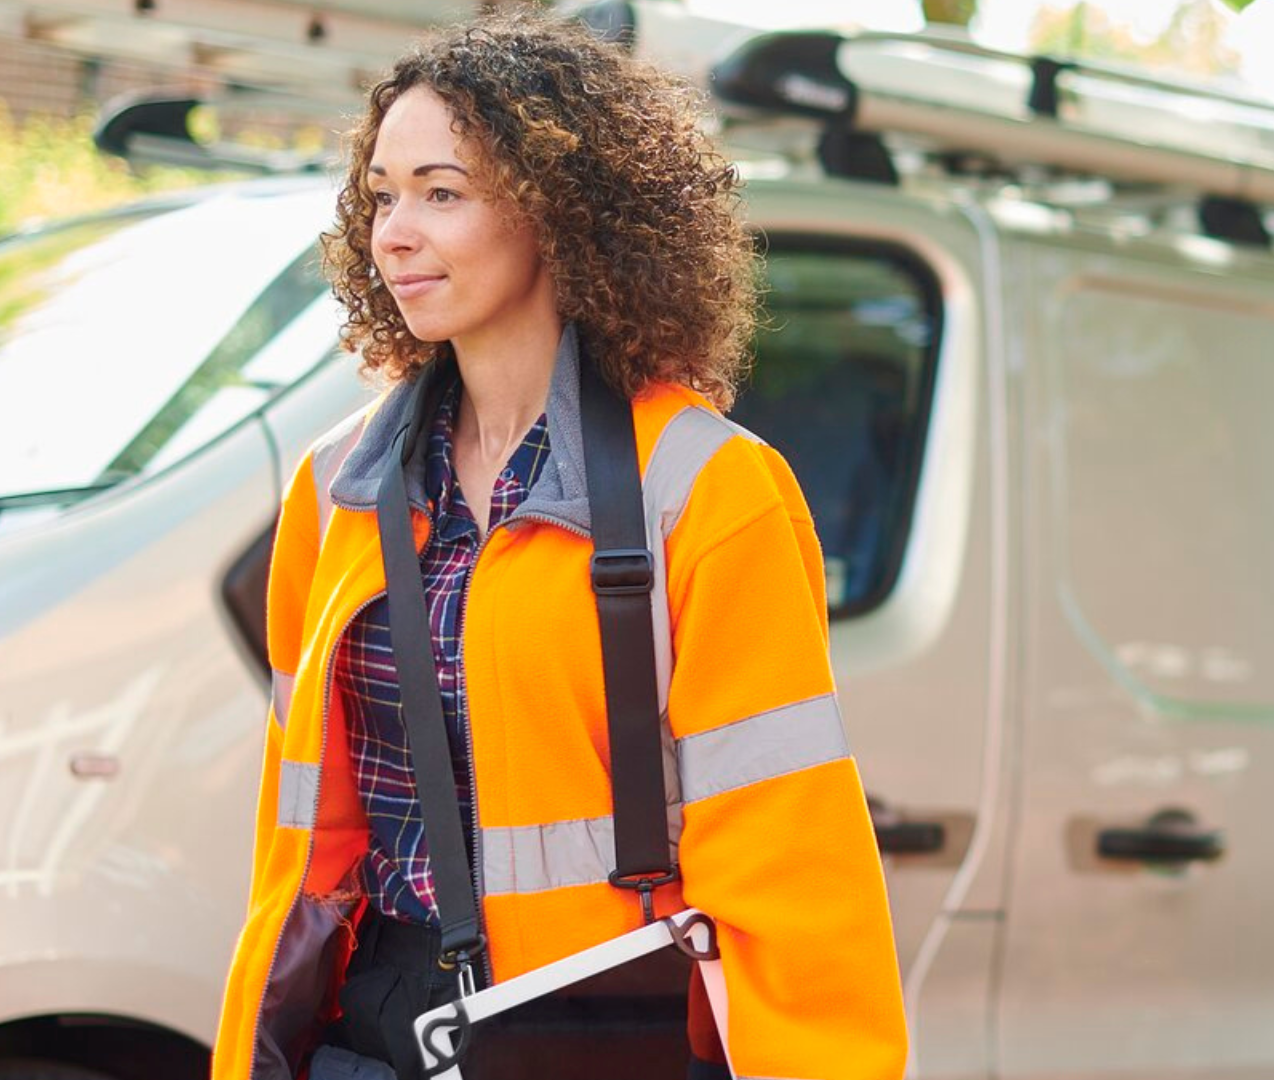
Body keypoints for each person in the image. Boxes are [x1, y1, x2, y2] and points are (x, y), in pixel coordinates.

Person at [210, 10, 908, 1079]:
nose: (393, 231)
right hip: (375, 1022)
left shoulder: (712, 491)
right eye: (383, 194)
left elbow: (788, 864)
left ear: (561, 213)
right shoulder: (336, 488)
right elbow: (297, 850)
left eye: (442, 192)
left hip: (593, 1029)